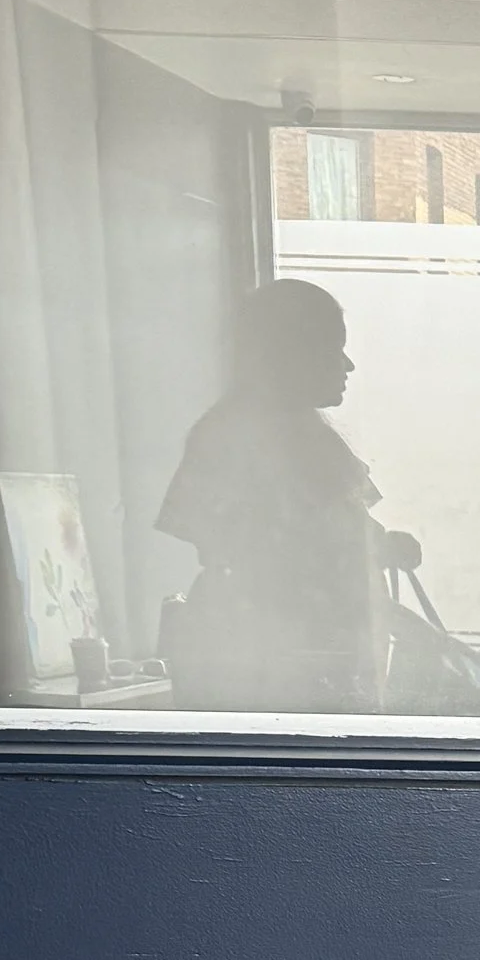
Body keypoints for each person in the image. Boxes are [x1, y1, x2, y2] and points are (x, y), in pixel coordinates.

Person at [156, 281, 418, 710]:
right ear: (294, 354)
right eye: (334, 349)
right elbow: (260, 548)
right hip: (274, 667)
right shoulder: (235, 438)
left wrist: (380, 545)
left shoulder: (305, 437)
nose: (348, 365)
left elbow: (324, 531)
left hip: (314, 660)